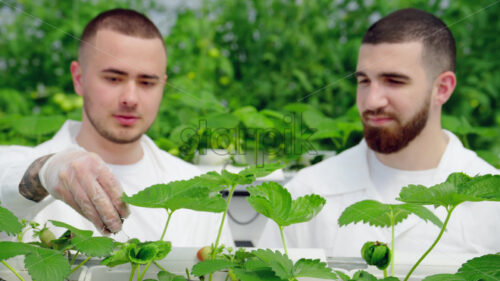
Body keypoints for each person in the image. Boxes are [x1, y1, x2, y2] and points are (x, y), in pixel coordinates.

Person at [258, 8, 499, 258]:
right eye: (364, 81)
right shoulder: (308, 193)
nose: (372, 101)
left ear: (442, 89)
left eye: (394, 81)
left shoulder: (492, 204)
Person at [0, 8, 233, 246]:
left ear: (162, 86)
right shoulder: (24, 167)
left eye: (146, 82)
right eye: (113, 78)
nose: (130, 98)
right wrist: (46, 171)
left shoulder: (196, 186)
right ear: (79, 79)